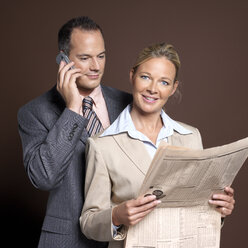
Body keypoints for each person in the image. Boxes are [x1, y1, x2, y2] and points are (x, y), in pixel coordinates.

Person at [80, 43, 235, 247]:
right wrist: (116, 216)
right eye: (145, 77)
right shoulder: (102, 145)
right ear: (132, 76)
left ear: (173, 88)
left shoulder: (190, 137)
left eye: (164, 82)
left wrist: (220, 209)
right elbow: (89, 222)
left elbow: (198, 210)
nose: (153, 89)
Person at [17, 16, 132, 248]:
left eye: (101, 56)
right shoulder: (34, 112)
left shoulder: (127, 103)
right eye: (85, 58)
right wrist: (72, 110)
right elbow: (44, 177)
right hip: (71, 241)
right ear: (63, 60)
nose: (96, 66)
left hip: (127, 237)